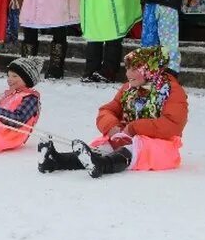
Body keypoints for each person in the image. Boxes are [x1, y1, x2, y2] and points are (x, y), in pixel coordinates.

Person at [38, 47, 188, 179]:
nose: (128, 73)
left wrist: (135, 128)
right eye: (127, 68)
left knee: (138, 147)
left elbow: (172, 125)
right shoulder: (129, 89)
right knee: (105, 146)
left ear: (149, 70)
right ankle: (57, 161)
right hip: (127, 136)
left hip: (161, 147)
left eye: (134, 69)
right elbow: (108, 110)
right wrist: (111, 127)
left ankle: (102, 165)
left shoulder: (172, 91)